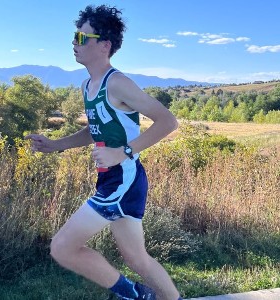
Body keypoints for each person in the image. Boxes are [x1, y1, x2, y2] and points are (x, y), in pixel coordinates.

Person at [25, 4, 182, 300]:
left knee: (62, 247)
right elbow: (94, 130)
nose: (74, 43)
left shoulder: (118, 82)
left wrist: (123, 152)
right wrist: (56, 145)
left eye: (82, 38)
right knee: (138, 259)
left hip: (122, 179)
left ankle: (135, 295)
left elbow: (167, 121)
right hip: (118, 179)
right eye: (74, 36)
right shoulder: (88, 86)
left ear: (105, 45)